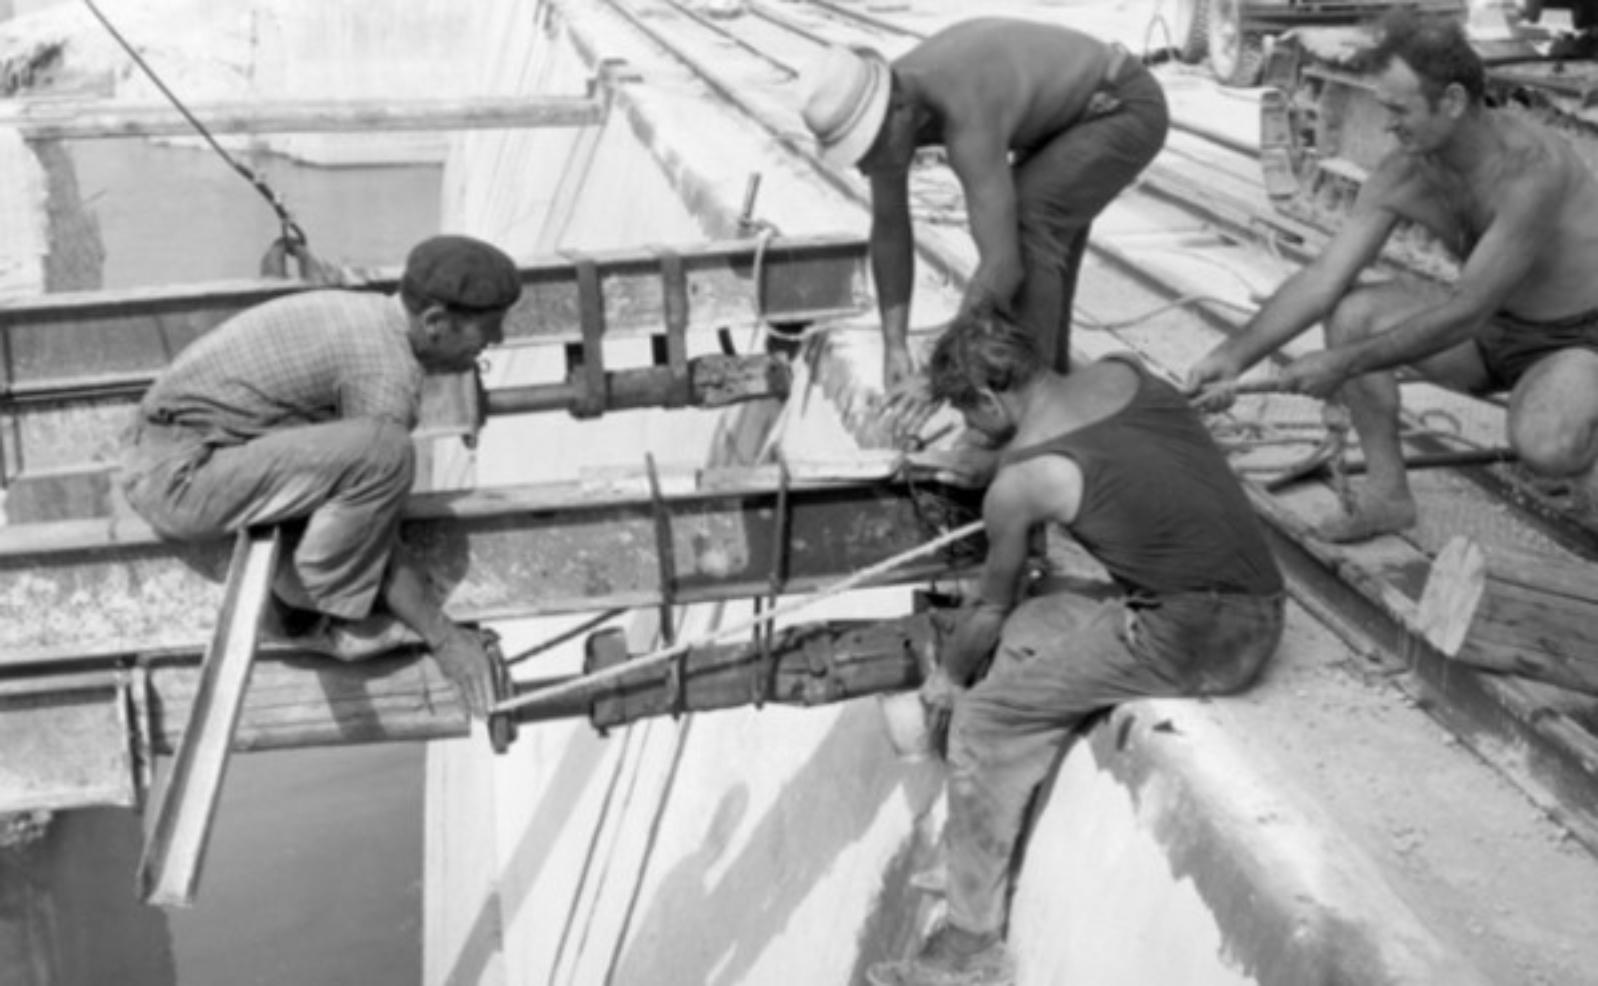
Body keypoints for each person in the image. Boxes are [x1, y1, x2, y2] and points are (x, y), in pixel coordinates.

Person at [870, 313, 1284, 986]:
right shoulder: (1123, 370)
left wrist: (946, 678)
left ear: (990, 399)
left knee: (985, 719)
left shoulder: (1025, 482)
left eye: (966, 411)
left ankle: (969, 951)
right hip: (1260, 604)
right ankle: (973, 848)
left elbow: (987, 607)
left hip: (1198, 637)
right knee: (1032, 630)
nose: (966, 427)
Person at [1187, 9, 1598, 541]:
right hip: (1495, 328)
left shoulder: (1532, 171)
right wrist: (1233, 356)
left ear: (1451, 101)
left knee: (1546, 443)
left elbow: (1465, 311)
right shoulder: (1406, 171)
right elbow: (1324, 278)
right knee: (1355, 313)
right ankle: (1387, 495)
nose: (1387, 124)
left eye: (1398, 109)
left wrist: (1339, 364)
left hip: (1577, 337)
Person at [117, 234, 523, 718]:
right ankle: (318, 602)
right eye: (488, 328)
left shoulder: (370, 315)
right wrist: (443, 636)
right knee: (386, 452)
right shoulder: (384, 373)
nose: (496, 341)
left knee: (370, 462)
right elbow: (380, 537)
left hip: (173, 451)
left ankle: (313, 586)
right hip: (181, 479)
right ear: (435, 322)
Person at [797, 18, 1168, 396]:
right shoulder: (892, 111)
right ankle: (1049, 392)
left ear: (899, 110)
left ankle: (1036, 405)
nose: (864, 167)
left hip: (1121, 105)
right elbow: (890, 226)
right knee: (1036, 237)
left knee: (1028, 221)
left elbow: (1003, 266)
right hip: (1066, 121)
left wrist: (937, 372)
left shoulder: (964, 109)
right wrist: (894, 344)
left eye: (868, 150)